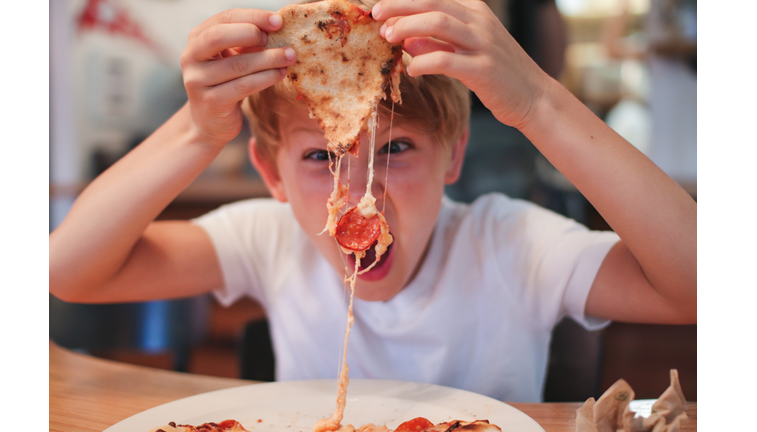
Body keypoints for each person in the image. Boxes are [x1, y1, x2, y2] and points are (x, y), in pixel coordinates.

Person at [49, 0, 696, 403]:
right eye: (321, 158)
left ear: (453, 156)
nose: (360, 197)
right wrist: (196, 130)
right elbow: (68, 272)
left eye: (397, 149)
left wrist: (539, 102)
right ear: (271, 174)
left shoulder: (513, 245)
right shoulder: (270, 239)